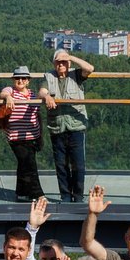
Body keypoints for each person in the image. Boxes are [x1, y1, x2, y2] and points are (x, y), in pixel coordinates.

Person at [40, 49, 94, 203]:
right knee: (61, 165)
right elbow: (42, 91)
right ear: (54, 64)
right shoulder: (48, 76)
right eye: (58, 62)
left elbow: (90, 68)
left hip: (76, 126)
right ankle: (65, 197)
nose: (61, 65)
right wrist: (47, 96)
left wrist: (70, 57)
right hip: (57, 127)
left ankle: (78, 196)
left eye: (64, 62)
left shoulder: (76, 75)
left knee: (78, 165)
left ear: (69, 63)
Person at [0, 65, 47, 201]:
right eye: (17, 78)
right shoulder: (11, 91)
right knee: (30, 164)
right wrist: (8, 97)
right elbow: (2, 93)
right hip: (16, 137)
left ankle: (22, 193)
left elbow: (37, 116)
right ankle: (38, 194)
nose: (20, 80)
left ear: (28, 81)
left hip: (32, 136)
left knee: (24, 164)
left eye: (23, 78)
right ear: (13, 80)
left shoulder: (33, 95)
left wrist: (40, 136)